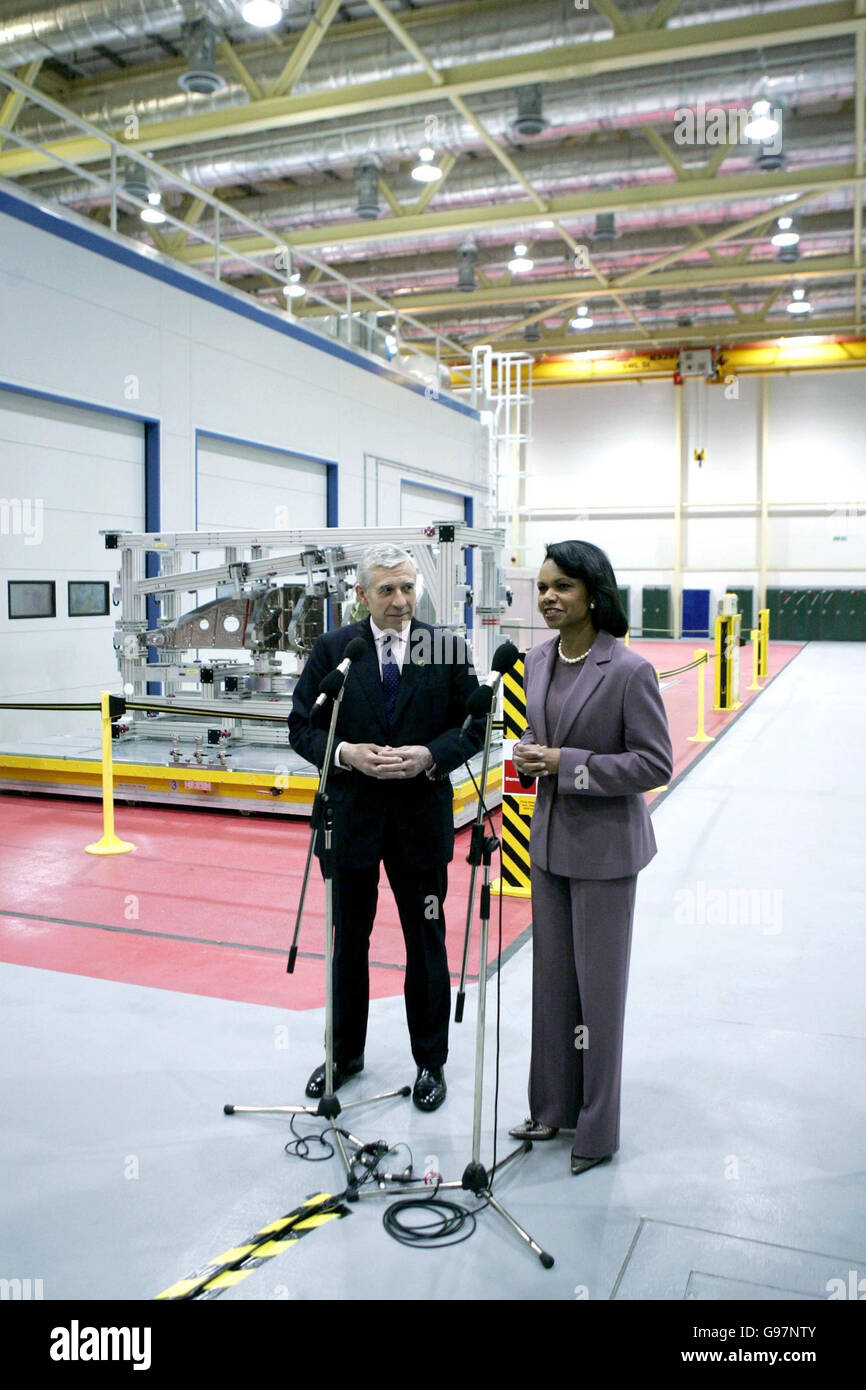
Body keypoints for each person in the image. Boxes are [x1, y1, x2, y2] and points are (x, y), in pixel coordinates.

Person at [288, 544, 484, 1112]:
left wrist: (430, 755)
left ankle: (431, 1061)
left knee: (425, 941)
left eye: (407, 588)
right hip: (351, 821)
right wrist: (346, 753)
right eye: (387, 591)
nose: (400, 601)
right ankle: (344, 1054)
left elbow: (473, 725)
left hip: (419, 822)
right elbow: (302, 726)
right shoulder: (335, 650)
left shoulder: (444, 648)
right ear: (362, 596)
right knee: (347, 941)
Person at [510, 540, 673, 1173]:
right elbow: (540, 733)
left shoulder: (629, 671)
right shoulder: (538, 660)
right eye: (544, 587)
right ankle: (552, 1106)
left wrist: (565, 765)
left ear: (593, 594)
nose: (549, 597)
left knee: (599, 997)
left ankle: (598, 1130)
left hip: (605, 853)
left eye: (563, 588)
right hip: (548, 846)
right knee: (552, 988)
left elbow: (653, 763)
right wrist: (531, 751)